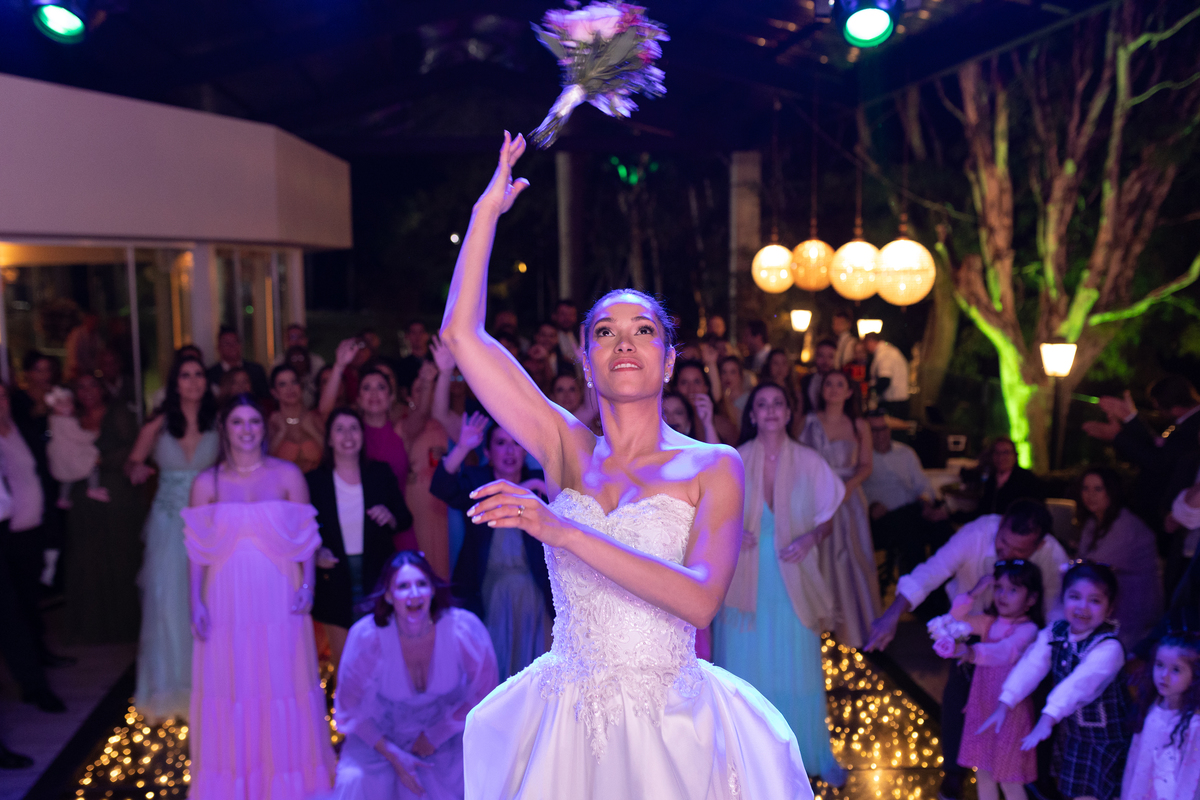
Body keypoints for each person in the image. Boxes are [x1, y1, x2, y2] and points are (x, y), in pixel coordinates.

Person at [443, 133, 811, 798]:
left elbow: (700, 601)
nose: (624, 342)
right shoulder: (564, 447)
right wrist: (484, 214)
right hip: (566, 720)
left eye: (644, 330)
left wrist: (563, 531)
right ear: (587, 363)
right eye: (605, 332)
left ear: (668, 362)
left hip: (670, 726)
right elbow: (461, 336)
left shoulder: (714, 465)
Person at [183, 395, 336, 799]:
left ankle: (286, 783)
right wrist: (194, 602)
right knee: (232, 686)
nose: (247, 429)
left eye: (254, 421)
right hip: (226, 597)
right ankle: (238, 784)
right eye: (238, 422)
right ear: (224, 428)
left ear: (264, 428)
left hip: (278, 594)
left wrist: (308, 586)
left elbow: (307, 538)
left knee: (282, 682)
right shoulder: (206, 483)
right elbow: (196, 550)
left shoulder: (288, 475)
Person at [865, 499, 1068, 800]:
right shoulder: (976, 533)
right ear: (1000, 525)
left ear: (1038, 546)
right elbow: (931, 573)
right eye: (1003, 544)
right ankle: (954, 771)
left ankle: (1034, 774)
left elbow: (1055, 611)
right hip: (973, 626)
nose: (1006, 555)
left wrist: (1046, 655)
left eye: (1019, 551)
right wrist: (893, 615)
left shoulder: (1052, 555)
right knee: (961, 700)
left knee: (1023, 718)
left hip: (1024, 642)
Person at [717, 382, 847, 786]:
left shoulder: (810, 461)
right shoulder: (735, 459)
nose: (771, 410)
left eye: (778, 403)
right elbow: (711, 516)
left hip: (793, 579)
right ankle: (746, 761)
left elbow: (828, 519)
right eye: (762, 404)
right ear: (752, 414)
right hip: (746, 581)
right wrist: (732, 533)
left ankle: (806, 755)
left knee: (798, 672)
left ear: (789, 413)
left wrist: (810, 539)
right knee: (745, 673)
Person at [330, 551, 499, 800]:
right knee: (355, 780)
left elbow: (486, 694)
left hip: (447, 734)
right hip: (382, 738)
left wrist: (437, 734)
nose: (414, 593)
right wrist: (394, 754)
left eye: (421, 584)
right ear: (389, 595)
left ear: (432, 590)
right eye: (403, 586)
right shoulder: (367, 637)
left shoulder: (463, 629)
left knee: (477, 773)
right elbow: (349, 706)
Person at [125, 354, 220, 723]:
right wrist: (137, 469)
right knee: (167, 603)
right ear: (174, 383)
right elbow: (132, 462)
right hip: (168, 523)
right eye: (185, 375)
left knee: (208, 601)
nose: (193, 381)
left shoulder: (219, 422)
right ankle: (171, 688)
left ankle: (209, 684)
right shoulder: (158, 424)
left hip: (209, 523)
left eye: (198, 374)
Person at [985, 562, 1129, 800]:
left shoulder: (1108, 647)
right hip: (1075, 735)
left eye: (1094, 601)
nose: (1082, 607)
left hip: (1106, 741)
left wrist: (1047, 717)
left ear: (1110, 608)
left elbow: (1078, 685)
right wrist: (1006, 701)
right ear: (1063, 598)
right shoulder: (1056, 632)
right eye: (1075, 597)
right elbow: (1032, 665)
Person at [430, 413, 553, 680]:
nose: (509, 451)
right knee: (494, 669)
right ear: (487, 452)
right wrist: (462, 446)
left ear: (525, 450)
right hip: (488, 592)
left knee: (538, 672)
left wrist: (536, 488)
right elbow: (441, 487)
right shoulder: (478, 480)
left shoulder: (542, 481)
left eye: (516, 443)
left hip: (536, 591)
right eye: (500, 443)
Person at [932, 560, 1043, 800]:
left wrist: (972, 652)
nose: (1002, 595)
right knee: (983, 772)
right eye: (999, 588)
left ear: (1032, 598)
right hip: (982, 708)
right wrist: (973, 593)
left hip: (1009, 713)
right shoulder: (988, 622)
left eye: (1013, 590)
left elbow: (1005, 651)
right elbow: (952, 621)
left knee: (1009, 779)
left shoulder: (1028, 630)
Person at [309, 407, 411, 666]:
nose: (348, 436)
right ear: (329, 439)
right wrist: (316, 552)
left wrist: (390, 516)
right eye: (340, 429)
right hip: (334, 577)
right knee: (346, 665)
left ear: (362, 436)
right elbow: (303, 529)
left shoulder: (380, 473)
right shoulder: (315, 481)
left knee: (382, 662)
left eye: (354, 428)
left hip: (376, 575)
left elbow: (404, 518)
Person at [53, 374, 144, 644]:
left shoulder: (118, 413)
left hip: (115, 494)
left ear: (102, 388)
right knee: (87, 560)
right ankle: (92, 626)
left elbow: (133, 448)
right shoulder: (69, 418)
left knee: (120, 557)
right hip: (83, 496)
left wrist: (97, 459)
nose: (87, 391)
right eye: (80, 387)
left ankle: (124, 624)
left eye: (92, 385)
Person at [321, 340, 434, 553]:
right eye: (367, 388)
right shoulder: (351, 435)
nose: (374, 394)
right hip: (359, 529)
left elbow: (422, 413)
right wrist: (339, 366)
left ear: (391, 398)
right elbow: (326, 413)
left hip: (398, 527)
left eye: (381, 388)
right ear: (358, 399)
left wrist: (428, 381)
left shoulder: (401, 431)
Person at [798, 369, 881, 649]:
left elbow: (866, 465)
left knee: (851, 558)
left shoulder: (859, 425)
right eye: (828, 384)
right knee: (817, 558)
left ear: (849, 392)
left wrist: (847, 488)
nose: (833, 389)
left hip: (848, 499)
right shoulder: (808, 421)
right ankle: (818, 627)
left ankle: (851, 631)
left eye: (839, 385)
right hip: (814, 498)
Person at [1075, 466, 1163, 648]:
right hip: (1107, 600)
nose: (1090, 495)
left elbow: (1093, 567)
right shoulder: (1093, 522)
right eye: (1085, 488)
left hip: (1132, 608)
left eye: (1098, 489)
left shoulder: (1125, 525)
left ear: (1111, 491)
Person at [863, 412, 951, 593]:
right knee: (911, 532)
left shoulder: (905, 453)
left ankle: (942, 589)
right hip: (884, 520)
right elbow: (856, 494)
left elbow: (923, 485)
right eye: (874, 430)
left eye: (883, 428)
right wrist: (870, 506)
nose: (880, 434)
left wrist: (925, 501)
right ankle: (917, 593)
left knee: (942, 528)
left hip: (913, 511)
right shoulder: (861, 458)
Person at [1122, 633, 1200, 800]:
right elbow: (1134, 762)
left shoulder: (1195, 724)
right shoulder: (1150, 707)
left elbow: (1191, 778)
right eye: (1159, 665)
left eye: (1176, 670)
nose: (1164, 675)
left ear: (1195, 675)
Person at [268, 364, 325, 473]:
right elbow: (264, 461)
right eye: (283, 384)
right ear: (274, 393)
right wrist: (281, 433)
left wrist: (313, 431)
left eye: (294, 382)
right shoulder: (272, 422)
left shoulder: (314, 418)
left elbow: (332, 454)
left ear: (301, 386)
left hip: (318, 480)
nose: (290, 388)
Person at [674, 359, 737, 444]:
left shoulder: (723, 425)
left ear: (706, 387)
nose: (691, 389)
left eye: (697, 382)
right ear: (675, 388)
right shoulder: (669, 421)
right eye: (684, 382)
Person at [977, 437, 1046, 516]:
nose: (1001, 457)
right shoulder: (990, 479)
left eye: (1006, 453)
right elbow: (983, 510)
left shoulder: (1027, 480)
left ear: (1015, 456)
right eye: (997, 453)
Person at [206, 326, 269, 402]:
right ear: (218, 347)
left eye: (235, 342)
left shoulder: (256, 370)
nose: (232, 346)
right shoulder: (210, 374)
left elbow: (265, 398)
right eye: (227, 343)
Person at [862, 332, 909, 418]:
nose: (865, 349)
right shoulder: (888, 351)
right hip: (896, 401)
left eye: (865, 345)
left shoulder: (884, 354)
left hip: (893, 403)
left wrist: (871, 393)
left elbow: (885, 380)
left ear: (870, 341)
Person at [799, 338, 837, 416]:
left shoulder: (842, 383)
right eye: (821, 356)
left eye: (830, 357)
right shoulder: (805, 381)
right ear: (815, 356)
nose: (825, 361)